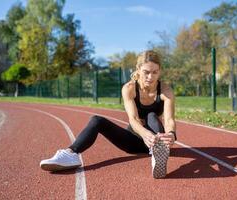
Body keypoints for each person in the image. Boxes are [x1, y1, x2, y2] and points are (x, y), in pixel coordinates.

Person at [40, 50, 177, 178]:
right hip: (133, 141)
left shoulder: (166, 90)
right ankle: (71, 154)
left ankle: (158, 155)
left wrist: (171, 134)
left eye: (155, 72)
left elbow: (169, 119)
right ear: (138, 69)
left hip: (156, 140)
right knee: (97, 120)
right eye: (146, 72)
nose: (150, 77)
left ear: (160, 71)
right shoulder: (129, 88)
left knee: (151, 115)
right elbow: (133, 119)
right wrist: (144, 134)